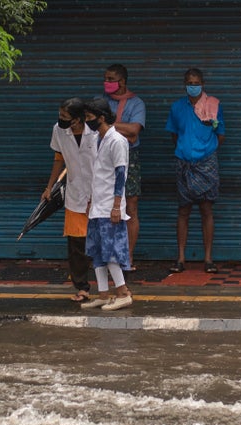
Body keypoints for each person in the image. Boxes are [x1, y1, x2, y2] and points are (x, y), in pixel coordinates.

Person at [165, 68, 226, 274]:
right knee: (183, 211)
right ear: (184, 84)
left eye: (196, 82)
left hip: (206, 164)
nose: (193, 86)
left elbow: (220, 133)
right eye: (190, 82)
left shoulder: (213, 105)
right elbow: (174, 135)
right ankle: (181, 258)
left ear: (203, 83)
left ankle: (208, 259)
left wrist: (205, 150)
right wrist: (186, 150)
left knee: (206, 210)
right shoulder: (177, 107)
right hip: (183, 163)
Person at [80, 98, 133, 311]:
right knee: (97, 252)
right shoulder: (98, 139)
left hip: (110, 205)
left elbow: (121, 175)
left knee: (111, 252)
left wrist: (116, 205)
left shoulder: (117, 141)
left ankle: (123, 292)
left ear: (102, 118)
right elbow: (99, 174)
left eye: (90, 118)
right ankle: (103, 294)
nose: (87, 122)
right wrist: (91, 200)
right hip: (98, 205)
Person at [43, 98, 96, 302]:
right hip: (75, 192)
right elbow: (59, 159)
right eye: (60, 116)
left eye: (65, 117)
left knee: (101, 242)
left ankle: (109, 286)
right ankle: (82, 287)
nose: (61, 120)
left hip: (98, 193)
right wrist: (50, 187)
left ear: (78, 119)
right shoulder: (58, 130)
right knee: (76, 244)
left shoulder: (95, 132)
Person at [101, 64, 146, 272]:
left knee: (131, 207)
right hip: (104, 158)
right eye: (106, 79)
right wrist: (123, 129)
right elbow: (94, 127)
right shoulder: (100, 102)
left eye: (111, 79)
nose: (107, 83)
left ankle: (128, 256)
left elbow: (135, 130)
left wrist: (107, 125)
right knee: (105, 206)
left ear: (123, 82)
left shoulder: (136, 103)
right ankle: (109, 255)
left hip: (130, 158)